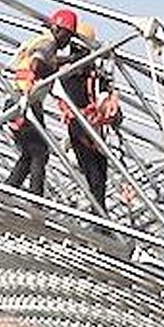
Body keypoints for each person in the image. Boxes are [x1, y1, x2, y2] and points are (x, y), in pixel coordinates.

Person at [5, 8, 77, 196]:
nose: (67, 41)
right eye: (67, 35)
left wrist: (67, 60)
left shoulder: (39, 41)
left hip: (18, 100)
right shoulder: (49, 43)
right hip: (25, 102)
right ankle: (36, 199)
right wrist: (57, 67)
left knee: (30, 152)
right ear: (57, 29)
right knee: (40, 152)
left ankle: (8, 191)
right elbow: (38, 65)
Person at [58, 21, 121, 214]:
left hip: (91, 127)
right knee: (95, 174)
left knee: (99, 174)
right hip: (81, 125)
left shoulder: (90, 73)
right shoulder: (71, 73)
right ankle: (100, 218)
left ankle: (100, 216)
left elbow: (103, 94)